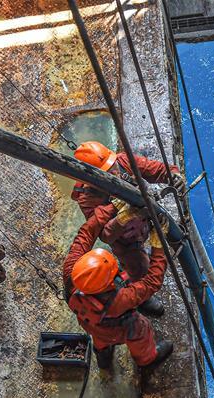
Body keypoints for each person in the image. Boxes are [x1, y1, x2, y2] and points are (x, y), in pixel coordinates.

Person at [72, 141, 184, 316]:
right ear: (91, 179)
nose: (114, 173)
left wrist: (173, 174)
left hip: (145, 218)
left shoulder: (123, 161)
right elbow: (104, 234)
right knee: (139, 268)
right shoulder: (87, 198)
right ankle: (142, 298)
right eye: (106, 172)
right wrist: (122, 218)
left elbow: (154, 169)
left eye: (113, 167)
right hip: (124, 238)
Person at [63, 203, 173, 370]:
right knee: (139, 331)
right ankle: (147, 360)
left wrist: (114, 209)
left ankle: (104, 357)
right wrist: (158, 246)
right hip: (121, 328)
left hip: (89, 321)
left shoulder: (71, 270)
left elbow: (86, 232)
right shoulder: (121, 300)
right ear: (108, 284)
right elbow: (152, 282)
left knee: (99, 338)